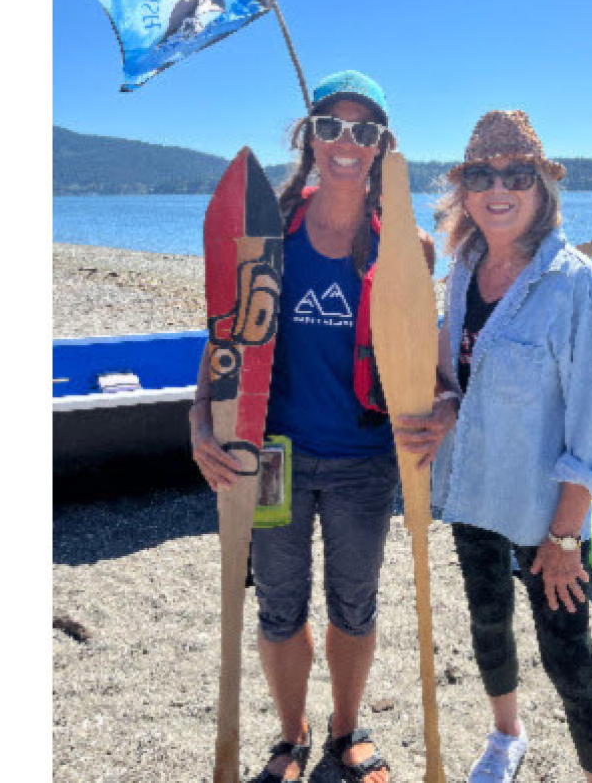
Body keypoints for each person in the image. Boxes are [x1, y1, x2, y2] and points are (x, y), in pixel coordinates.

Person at [190, 70, 433, 783]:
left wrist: (443, 406)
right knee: (278, 607)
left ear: (383, 147)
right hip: (272, 456)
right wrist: (200, 417)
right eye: (331, 126)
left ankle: (346, 733)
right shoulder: (270, 234)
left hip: (364, 458)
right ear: (310, 138)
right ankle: (291, 738)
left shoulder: (409, 248)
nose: (346, 141)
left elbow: (422, 355)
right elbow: (226, 334)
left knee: (354, 607)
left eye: (365, 130)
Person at [394, 109, 592, 782]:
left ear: (541, 188)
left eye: (516, 175)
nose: (499, 188)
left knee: (569, 656)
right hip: (474, 488)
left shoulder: (577, 288)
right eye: (482, 175)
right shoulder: (465, 269)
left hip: (545, 511)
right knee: (488, 624)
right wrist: (444, 405)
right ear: (465, 189)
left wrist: (563, 539)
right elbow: (462, 372)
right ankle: (506, 735)